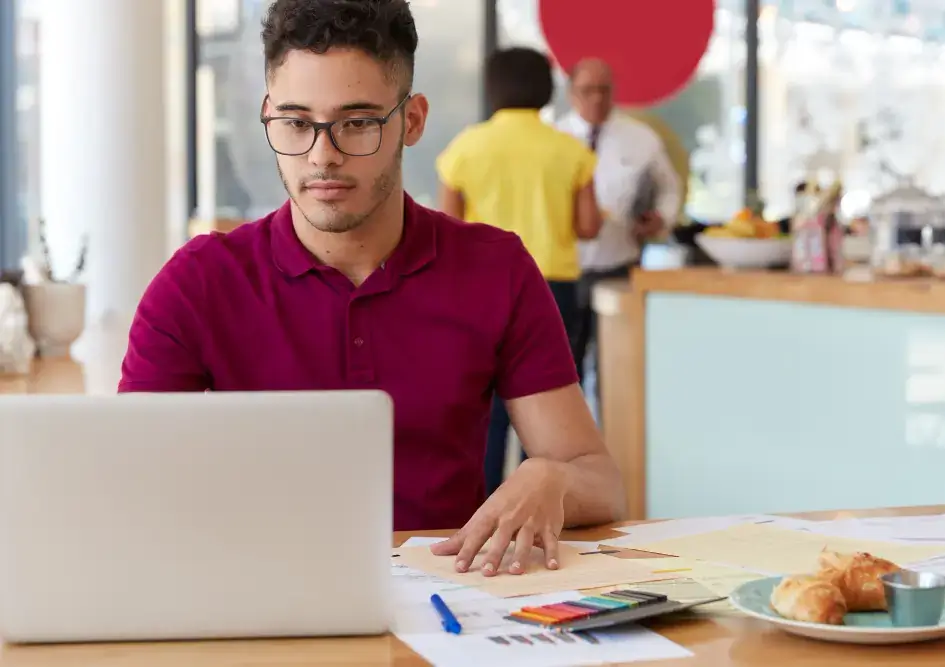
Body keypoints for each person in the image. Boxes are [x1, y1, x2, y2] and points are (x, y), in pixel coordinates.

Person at [118, 0, 623, 576]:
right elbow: (131, 485)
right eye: (296, 122)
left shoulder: (496, 268)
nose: (322, 156)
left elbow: (601, 483)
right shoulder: (196, 283)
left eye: (357, 121)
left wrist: (552, 477)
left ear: (411, 120)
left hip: (449, 602)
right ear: (267, 116)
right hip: (254, 592)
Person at [435, 47, 603, 498]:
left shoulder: (465, 148)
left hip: (477, 290)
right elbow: (588, 226)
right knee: (550, 412)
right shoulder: (570, 150)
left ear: (492, 89)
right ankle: (538, 507)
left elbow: (446, 226)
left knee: (485, 409)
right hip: (554, 286)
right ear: (547, 90)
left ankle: (477, 510)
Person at [554, 58, 681, 403]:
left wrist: (662, 218)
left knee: (618, 369)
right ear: (570, 93)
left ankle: (615, 448)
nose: (596, 98)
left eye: (603, 90)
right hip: (564, 270)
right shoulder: (554, 139)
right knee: (563, 372)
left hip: (618, 265)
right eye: (586, 90)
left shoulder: (641, 139)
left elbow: (669, 188)